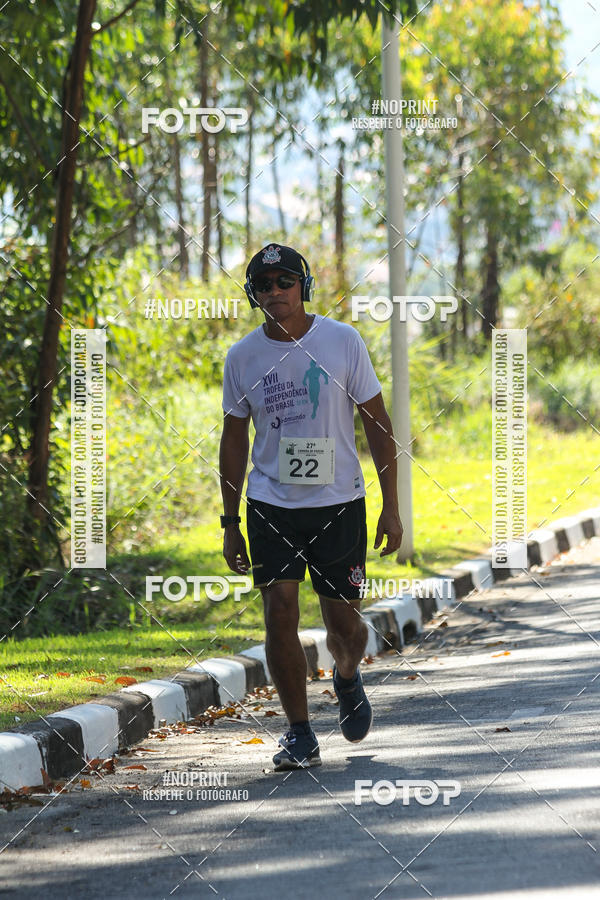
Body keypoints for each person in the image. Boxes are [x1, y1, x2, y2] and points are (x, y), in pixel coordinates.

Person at [219, 243, 403, 771]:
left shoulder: (342, 341)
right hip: (271, 503)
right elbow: (233, 443)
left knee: (343, 624)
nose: (275, 292)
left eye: (285, 281)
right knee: (279, 609)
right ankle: (299, 733)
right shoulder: (242, 357)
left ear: (304, 286)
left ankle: (347, 676)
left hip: (338, 502)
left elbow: (377, 423)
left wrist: (391, 507)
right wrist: (231, 524)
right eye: (264, 285)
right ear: (254, 296)